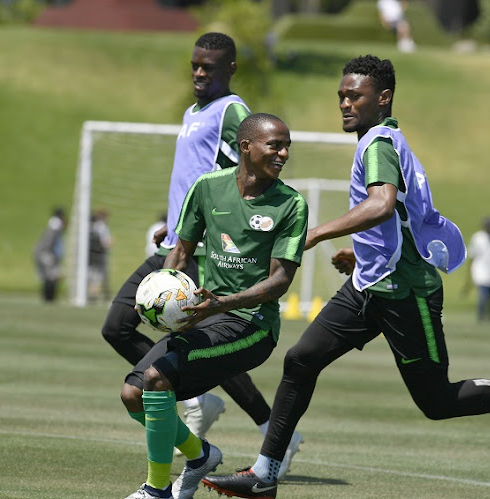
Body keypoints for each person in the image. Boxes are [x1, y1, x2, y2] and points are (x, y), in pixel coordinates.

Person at [202, 55, 490, 499]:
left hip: (407, 293)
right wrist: (364, 251)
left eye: (355, 95)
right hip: (370, 285)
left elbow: (382, 204)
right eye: (341, 96)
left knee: (437, 402)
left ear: (383, 98)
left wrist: (315, 233)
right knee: (300, 361)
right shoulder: (380, 140)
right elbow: (403, 215)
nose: (345, 104)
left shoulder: (378, 146)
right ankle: (265, 474)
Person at [100, 32, 303, 486]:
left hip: (209, 255)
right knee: (122, 328)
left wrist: (220, 227)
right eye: (194, 65)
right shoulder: (194, 112)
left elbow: (249, 164)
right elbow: (200, 180)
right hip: (177, 241)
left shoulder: (233, 111)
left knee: (203, 341)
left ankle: (246, 424)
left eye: (208, 67)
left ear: (229, 69)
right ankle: (199, 408)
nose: (198, 72)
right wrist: (175, 224)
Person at [33, 206, 65, 303]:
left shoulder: (52, 224)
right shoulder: (55, 225)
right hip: (46, 253)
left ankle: (48, 298)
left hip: (43, 253)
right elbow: (52, 243)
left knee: (49, 276)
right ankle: (49, 298)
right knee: (52, 276)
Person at [88, 208, 113, 302]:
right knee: (99, 276)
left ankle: (94, 294)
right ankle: (96, 295)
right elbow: (106, 242)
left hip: (91, 256)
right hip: (100, 255)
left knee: (93, 275)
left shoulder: (93, 226)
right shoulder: (102, 227)